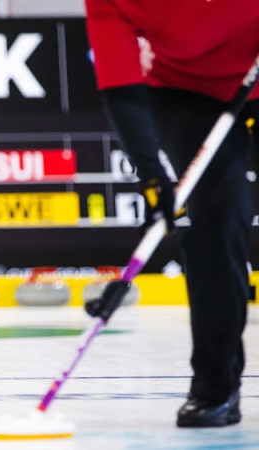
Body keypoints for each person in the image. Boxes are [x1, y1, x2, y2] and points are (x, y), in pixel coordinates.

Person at [85, 0, 259, 428]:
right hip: (187, 91)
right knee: (217, 218)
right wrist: (150, 176)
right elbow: (121, 83)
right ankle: (215, 389)